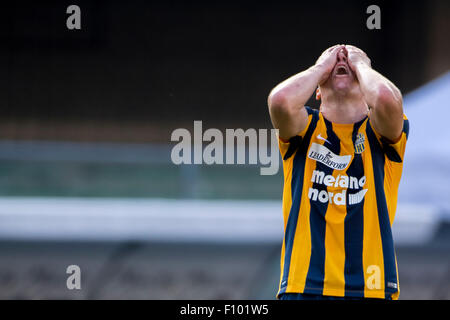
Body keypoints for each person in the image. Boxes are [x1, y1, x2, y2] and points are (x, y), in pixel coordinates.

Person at [267, 44, 409, 300]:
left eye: (350, 61)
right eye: (335, 58)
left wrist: (361, 64)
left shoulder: (379, 132)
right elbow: (280, 101)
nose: (342, 57)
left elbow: (387, 99)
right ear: (317, 91)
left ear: (367, 89)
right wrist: (321, 67)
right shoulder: (305, 128)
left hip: (370, 289)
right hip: (304, 286)